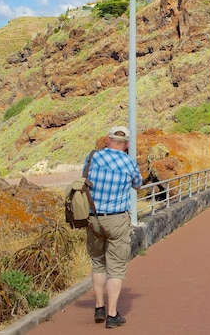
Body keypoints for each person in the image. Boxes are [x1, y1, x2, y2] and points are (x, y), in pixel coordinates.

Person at [86, 125, 143, 329]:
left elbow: (86, 179)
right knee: (116, 268)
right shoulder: (129, 162)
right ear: (126, 144)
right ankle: (112, 315)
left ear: (107, 140)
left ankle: (99, 306)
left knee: (98, 262)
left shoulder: (93, 157)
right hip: (117, 219)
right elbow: (138, 184)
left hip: (93, 218)